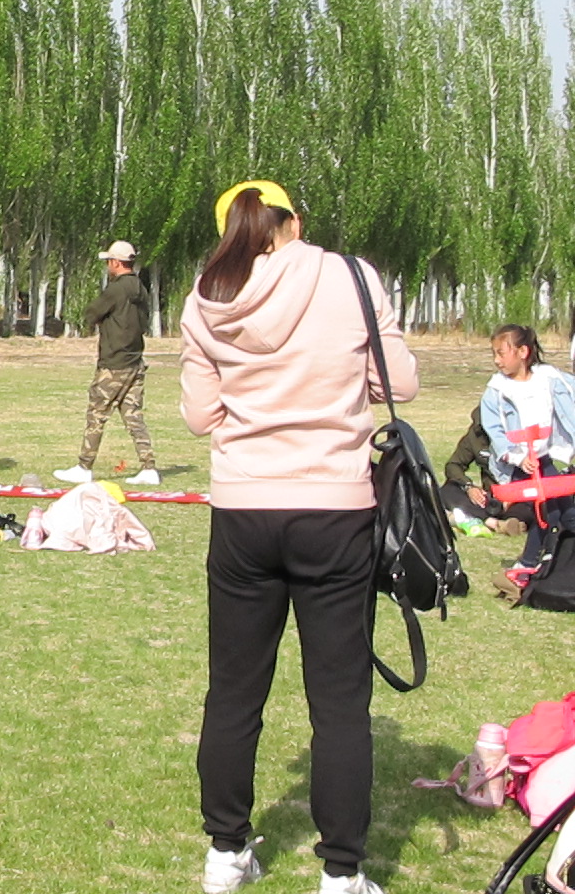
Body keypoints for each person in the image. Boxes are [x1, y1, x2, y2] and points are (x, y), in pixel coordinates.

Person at [180, 180, 416, 894]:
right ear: (294, 222)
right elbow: (399, 383)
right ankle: (341, 872)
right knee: (339, 702)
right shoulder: (351, 277)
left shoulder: (207, 297)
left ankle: (226, 852)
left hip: (243, 510)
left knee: (234, 691)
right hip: (334, 509)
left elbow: (199, 416)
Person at [477, 323, 575, 586]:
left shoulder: (549, 379)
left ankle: (557, 562)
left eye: (501, 353)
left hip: (545, 460)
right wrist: (517, 458)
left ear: (522, 352)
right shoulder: (497, 390)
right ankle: (528, 565)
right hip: (521, 465)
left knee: (567, 513)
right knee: (548, 514)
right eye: (494, 354)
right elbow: (494, 431)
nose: (497, 360)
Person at [56, 239, 157, 486]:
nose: (108, 266)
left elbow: (92, 313)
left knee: (97, 415)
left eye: (109, 262)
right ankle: (149, 467)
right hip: (135, 361)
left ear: (116, 263)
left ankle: (84, 466)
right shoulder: (140, 288)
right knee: (133, 416)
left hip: (113, 363)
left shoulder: (116, 289)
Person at [439, 403, 530, 535]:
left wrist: (514, 496)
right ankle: (492, 523)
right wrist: (469, 487)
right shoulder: (476, 436)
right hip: (489, 500)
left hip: (519, 496)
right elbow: (453, 465)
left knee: (536, 505)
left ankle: (514, 521)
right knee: (448, 490)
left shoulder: (521, 433)